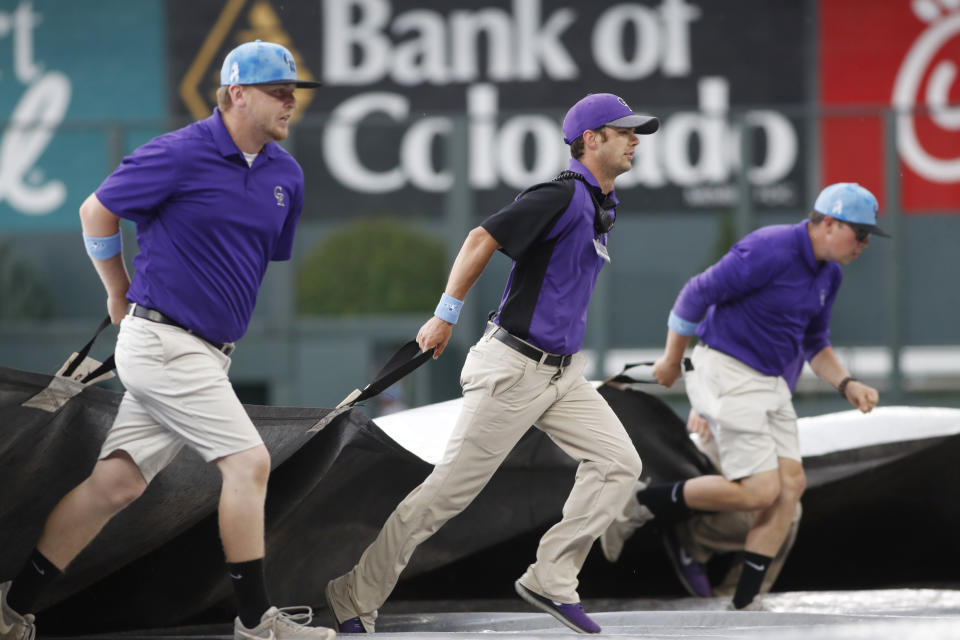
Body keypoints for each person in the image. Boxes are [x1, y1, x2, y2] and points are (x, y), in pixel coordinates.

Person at [0, 41, 335, 640]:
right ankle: (257, 621)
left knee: (117, 483)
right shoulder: (179, 152)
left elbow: (251, 258)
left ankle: (11, 605)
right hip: (160, 343)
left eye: (294, 92)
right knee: (250, 461)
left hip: (206, 352)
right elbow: (94, 213)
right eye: (278, 91)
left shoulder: (287, 174)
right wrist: (116, 290)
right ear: (237, 93)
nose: (291, 102)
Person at [324, 94, 658, 635]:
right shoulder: (560, 195)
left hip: (561, 375)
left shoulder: (600, 203)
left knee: (620, 463)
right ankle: (351, 597)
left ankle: (550, 579)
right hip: (513, 368)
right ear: (591, 140)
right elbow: (481, 237)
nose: (635, 139)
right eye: (624, 132)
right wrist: (444, 315)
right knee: (443, 498)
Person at [631, 182, 884, 610]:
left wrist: (847, 384)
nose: (863, 244)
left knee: (790, 490)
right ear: (828, 223)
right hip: (725, 370)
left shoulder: (830, 273)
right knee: (763, 491)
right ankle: (641, 504)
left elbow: (814, 341)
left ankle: (743, 607)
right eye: (859, 233)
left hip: (767, 384)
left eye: (868, 236)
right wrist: (672, 361)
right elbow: (697, 293)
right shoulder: (770, 247)